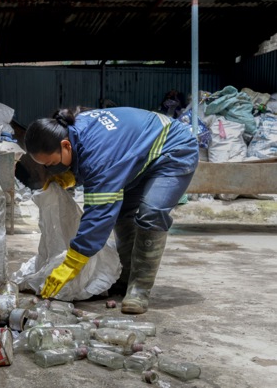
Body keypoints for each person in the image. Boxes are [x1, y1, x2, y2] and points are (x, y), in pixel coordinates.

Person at [24, 106, 199, 314]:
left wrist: (71, 263)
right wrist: (73, 176)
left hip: (173, 148)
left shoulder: (100, 156)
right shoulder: (72, 129)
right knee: (123, 211)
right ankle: (124, 278)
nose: (51, 169)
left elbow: (99, 215)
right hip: (140, 151)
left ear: (65, 145)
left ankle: (140, 288)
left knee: (151, 213)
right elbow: (87, 160)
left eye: (53, 163)